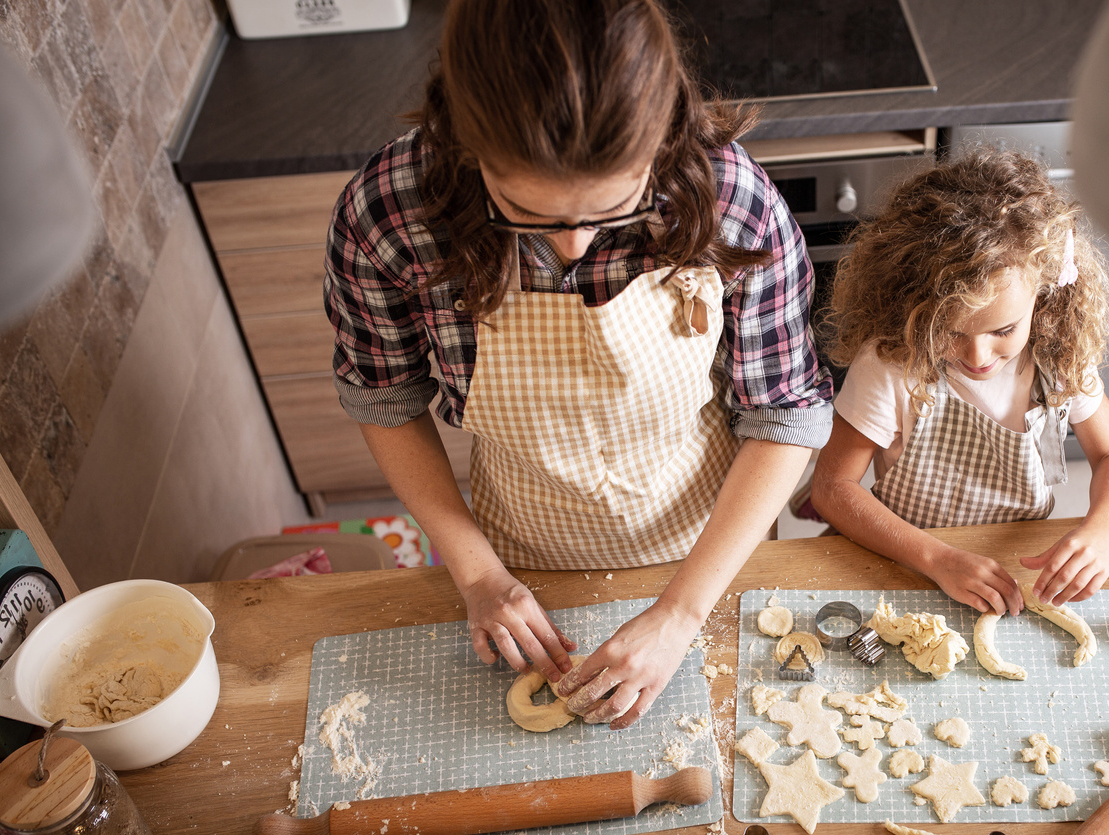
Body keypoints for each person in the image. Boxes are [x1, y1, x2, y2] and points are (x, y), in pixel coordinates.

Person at [325, 0, 832, 728]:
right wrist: (478, 573)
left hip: (711, 546)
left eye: (612, 207)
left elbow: (785, 415)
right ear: (468, 145)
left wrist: (682, 612)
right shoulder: (390, 214)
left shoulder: (731, 199)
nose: (574, 247)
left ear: (660, 138)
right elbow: (386, 399)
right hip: (517, 552)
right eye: (528, 212)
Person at [810, 149, 1109, 615]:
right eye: (950, 331)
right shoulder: (893, 364)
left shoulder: (1055, 355)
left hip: (1017, 572)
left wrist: (1101, 531)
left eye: (1003, 331)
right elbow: (831, 488)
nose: (977, 356)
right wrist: (937, 558)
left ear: (1042, 297)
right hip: (911, 566)